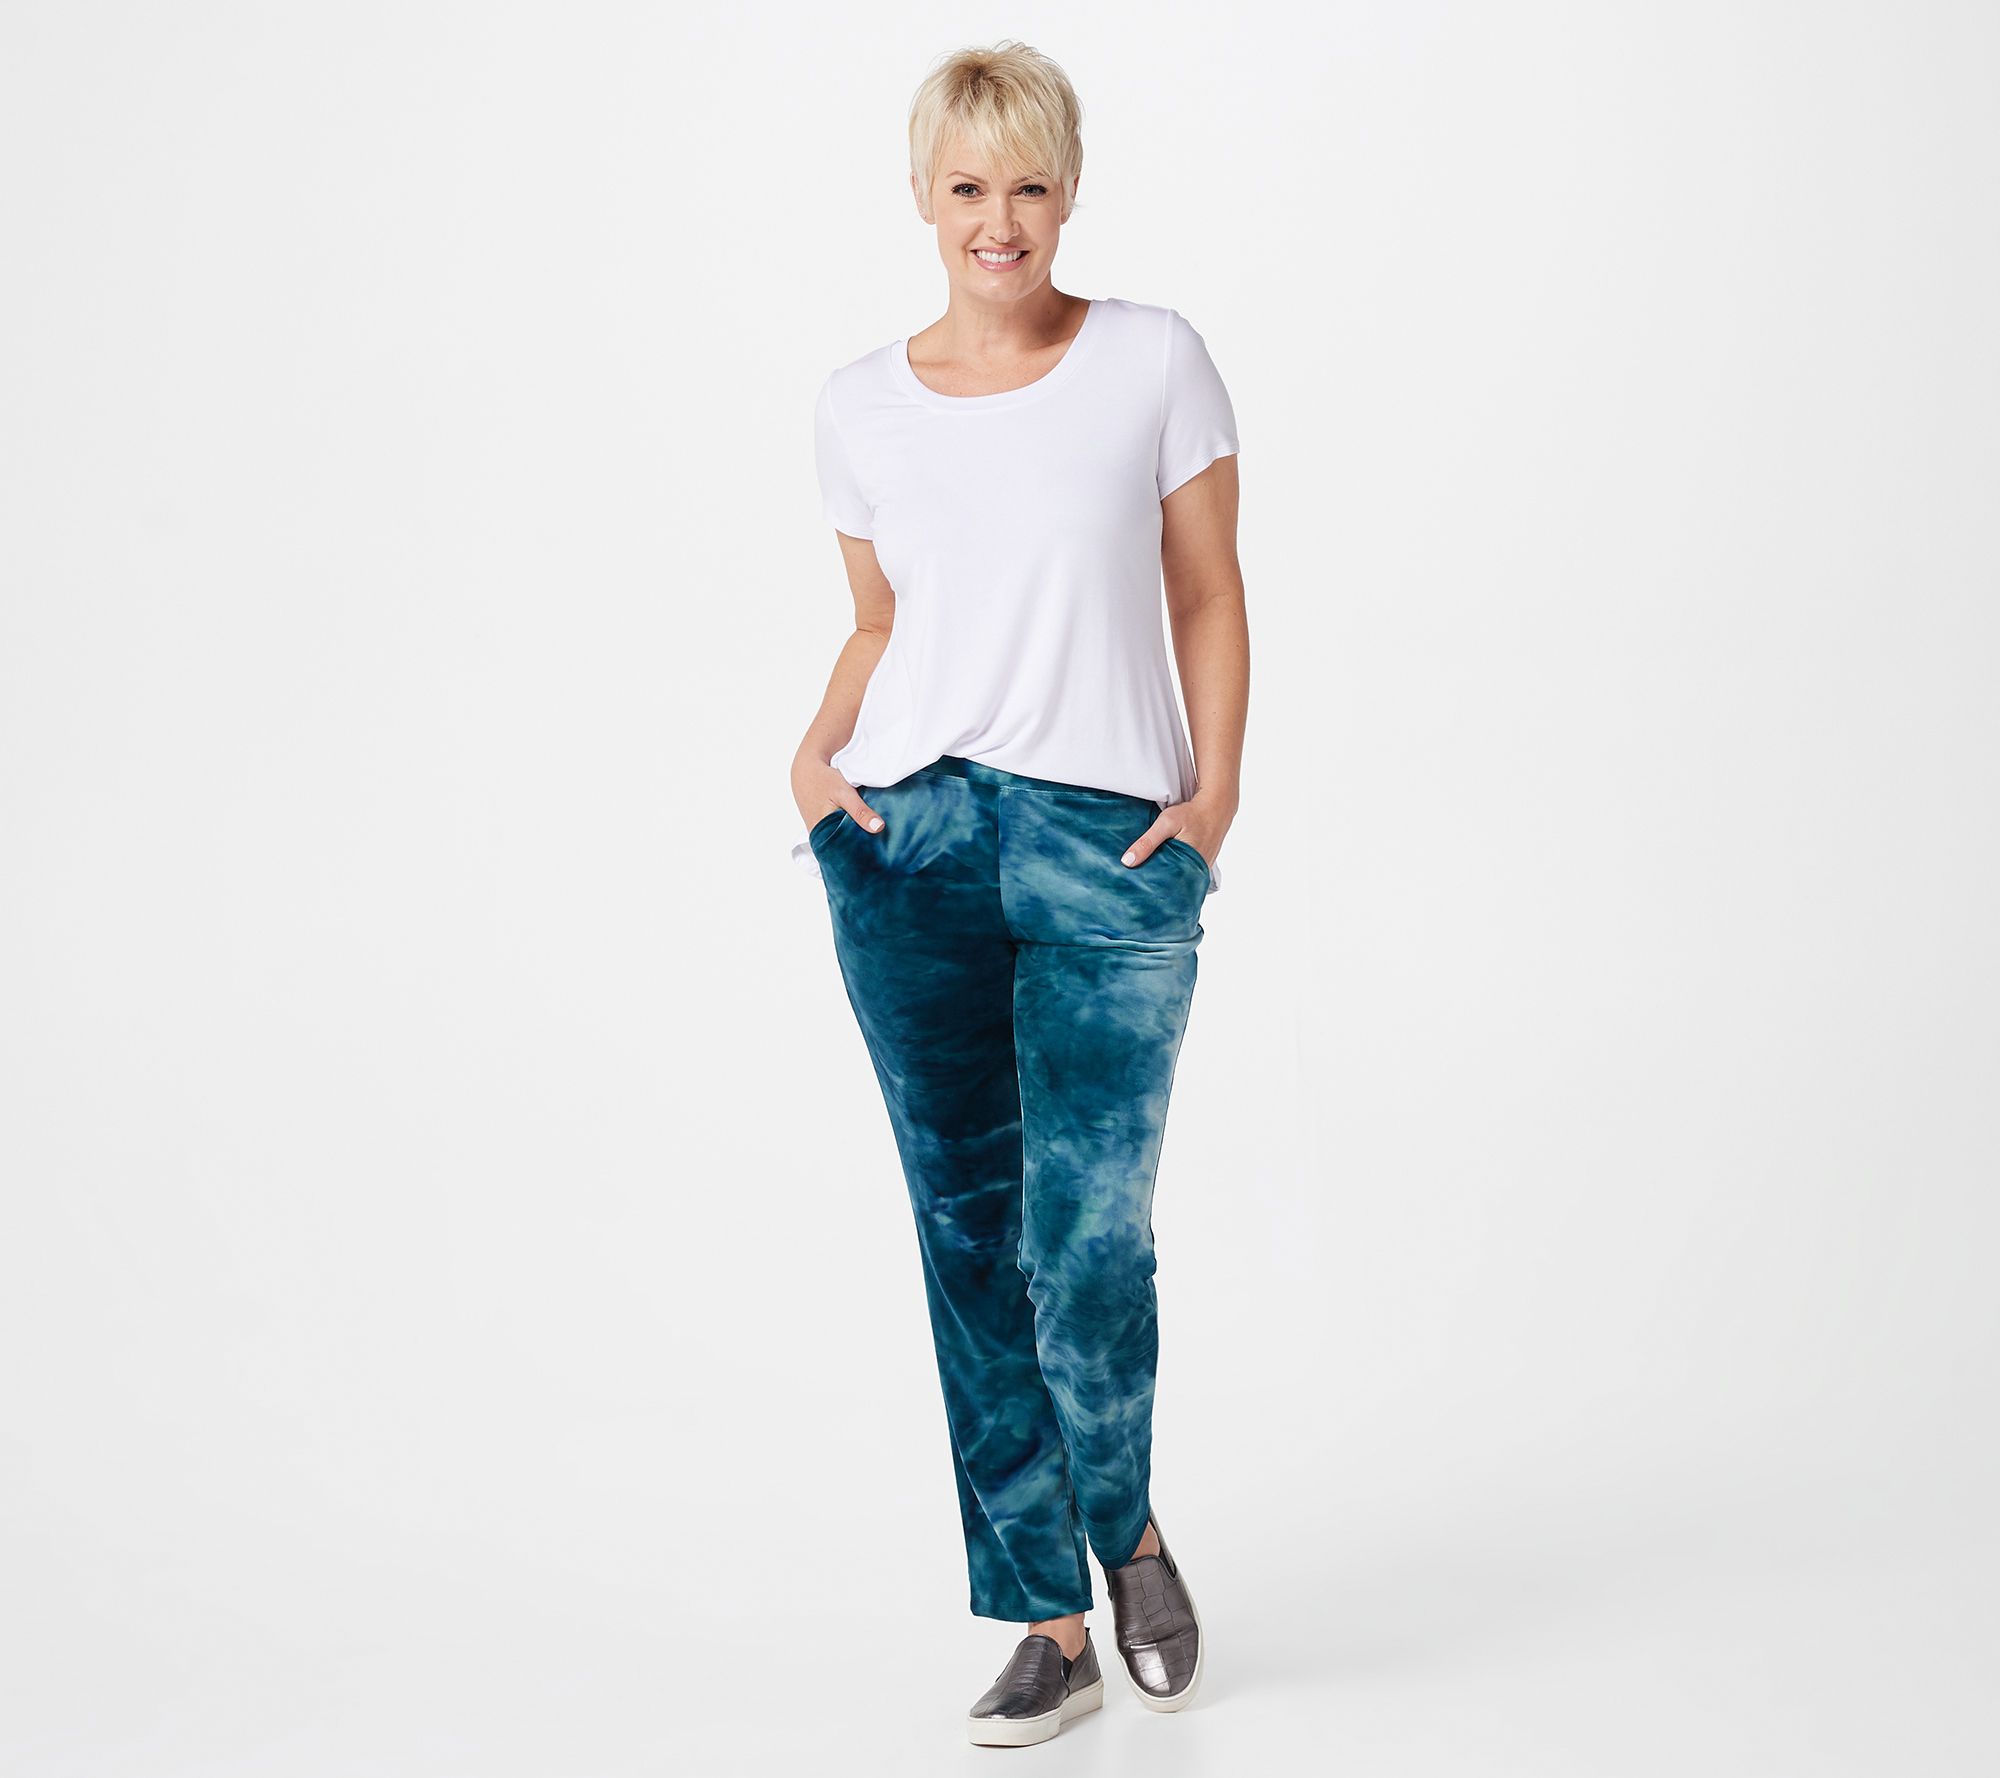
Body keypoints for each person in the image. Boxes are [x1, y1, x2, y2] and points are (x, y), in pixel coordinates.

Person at [789, 40, 1247, 1748]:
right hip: (908, 841)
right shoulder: (860, 405)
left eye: (1030, 184)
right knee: (969, 1238)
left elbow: (1208, 591)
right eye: (969, 186)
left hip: (1104, 843)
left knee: (1090, 1237)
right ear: (925, 196)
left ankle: (1127, 1528)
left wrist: (1210, 799)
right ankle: (1048, 1614)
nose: (1001, 219)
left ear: (1068, 192)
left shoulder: (1152, 360)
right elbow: (880, 621)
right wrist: (815, 763)